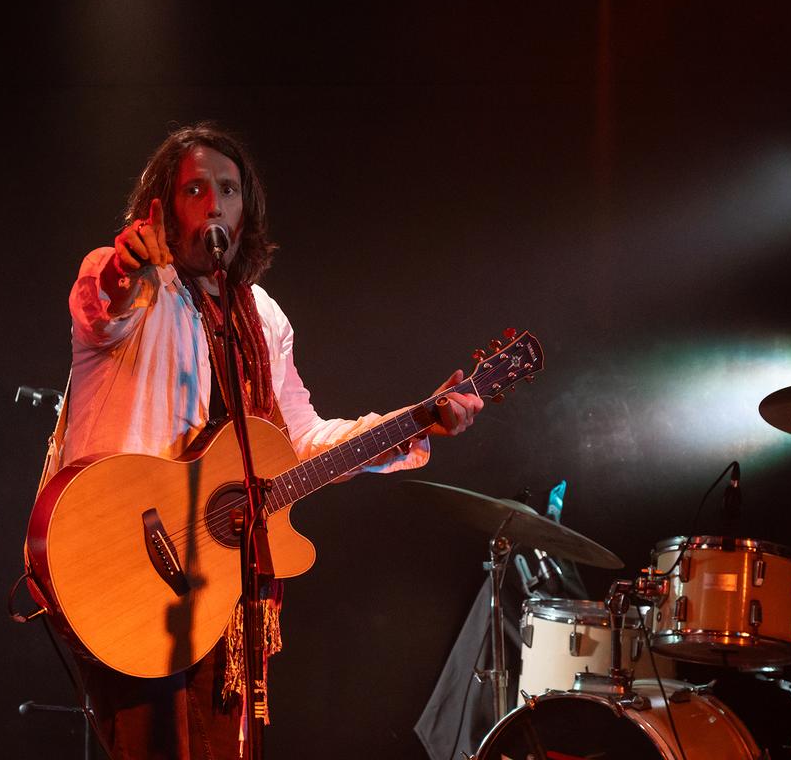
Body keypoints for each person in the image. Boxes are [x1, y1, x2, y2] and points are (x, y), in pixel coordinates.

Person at [57, 122, 483, 759]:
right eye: (194, 188)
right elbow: (102, 307)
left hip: (219, 586)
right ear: (163, 207)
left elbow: (300, 440)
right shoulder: (136, 283)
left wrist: (418, 420)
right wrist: (126, 266)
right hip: (124, 558)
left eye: (226, 189)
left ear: (244, 208)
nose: (212, 202)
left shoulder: (264, 318)